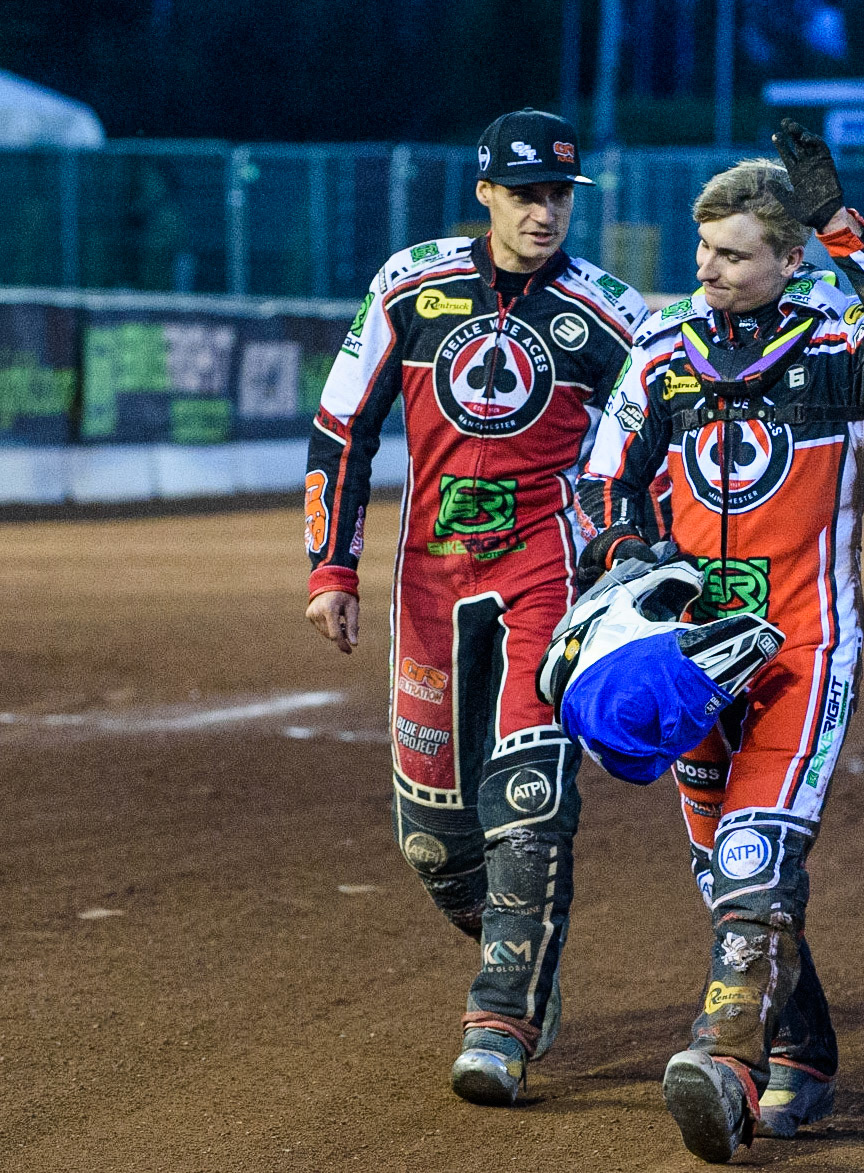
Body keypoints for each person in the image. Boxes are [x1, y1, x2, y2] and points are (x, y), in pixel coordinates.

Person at [575, 119, 864, 1161]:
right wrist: (621, 548)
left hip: (805, 649)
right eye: (703, 249)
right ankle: (809, 1053)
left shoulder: (837, 349)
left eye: (735, 252)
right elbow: (603, 473)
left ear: (788, 259)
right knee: (730, 880)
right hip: (694, 663)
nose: (710, 269)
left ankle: (723, 1063)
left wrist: (840, 222)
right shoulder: (662, 350)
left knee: (752, 862)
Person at [301, 107, 650, 1106]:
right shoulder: (407, 285)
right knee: (433, 848)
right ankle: (518, 933)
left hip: (547, 585)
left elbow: (658, 441)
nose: (545, 214)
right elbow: (340, 426)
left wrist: (637, 569)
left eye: (559, 198)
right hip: (427, 588)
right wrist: (333, 569)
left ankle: (499, 1022)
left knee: (528, 805)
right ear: (485, 193)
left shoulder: (613, 315)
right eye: (527, 194)